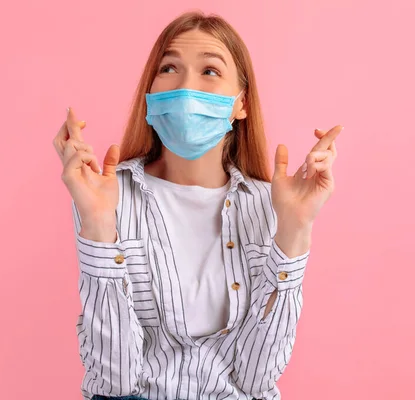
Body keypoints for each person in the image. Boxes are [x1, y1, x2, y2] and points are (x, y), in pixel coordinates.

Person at [52, 11, 342, 400]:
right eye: (169, 67)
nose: (186, 88)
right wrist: (99, 226)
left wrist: (294, 230)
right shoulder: (107, 194)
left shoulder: (268, 203)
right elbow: (113, 381)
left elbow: (258, 379)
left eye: (209, 71)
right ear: (150, 93)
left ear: (241, 103)